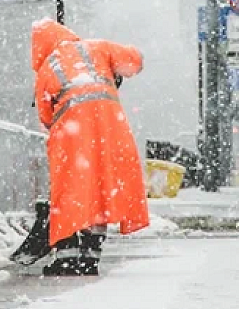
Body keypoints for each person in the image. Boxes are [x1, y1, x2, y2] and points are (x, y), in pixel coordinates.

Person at [28, 19, 149, 276]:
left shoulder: (48, 68)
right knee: (102, 187)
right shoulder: (96, 48)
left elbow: (45, 115)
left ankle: (67, 257)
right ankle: (91, 256)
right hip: (110, 126)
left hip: (70, 131)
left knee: (70, 189)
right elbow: (132, 61)